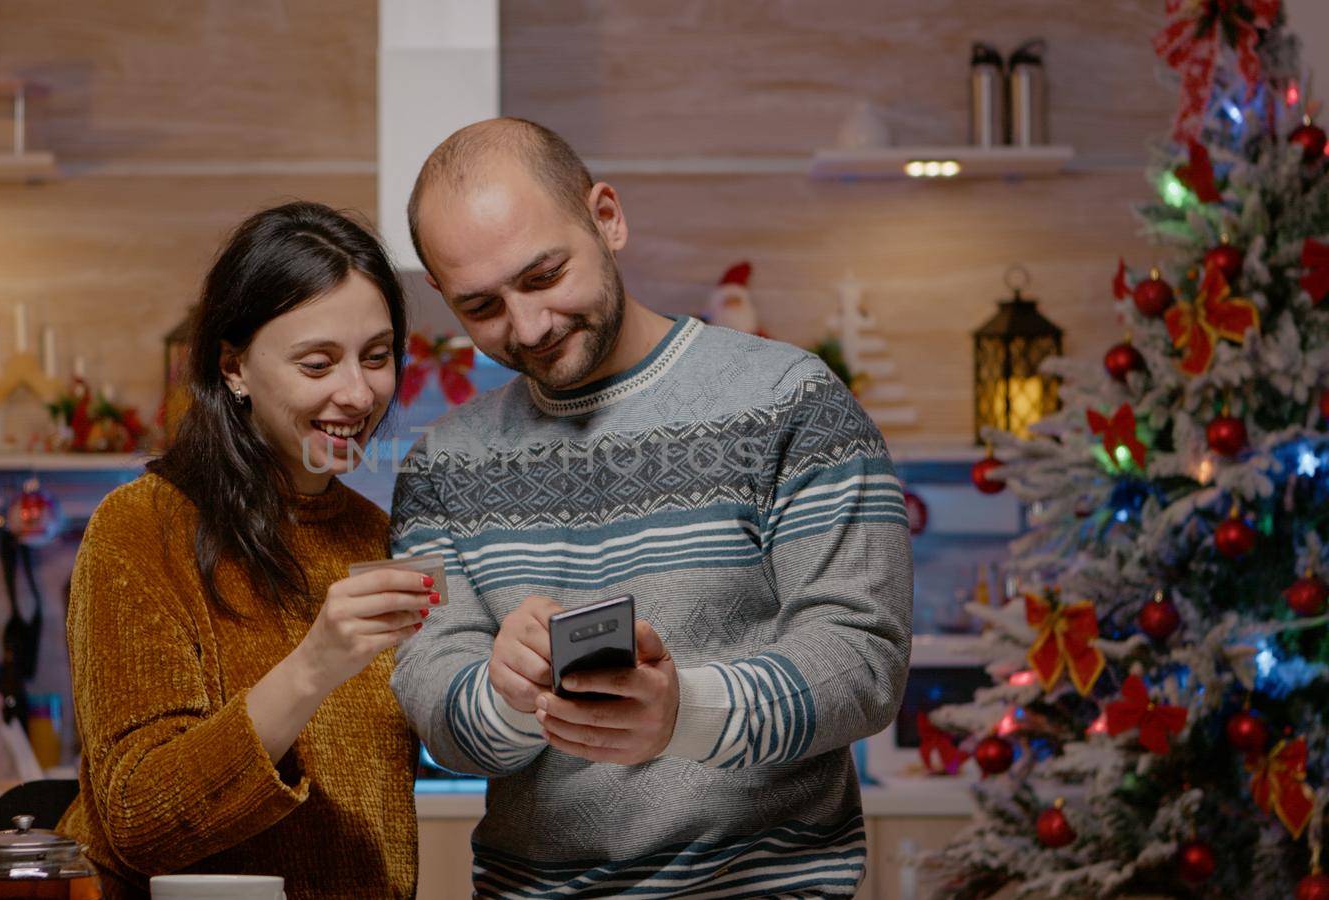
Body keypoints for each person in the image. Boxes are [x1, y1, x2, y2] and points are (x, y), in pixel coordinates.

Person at [388, 119, 913, 898]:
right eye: (482, 306)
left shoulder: (789, 401)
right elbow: (436, 703)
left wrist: (683, 714)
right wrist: (504, 697)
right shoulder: (440, 465)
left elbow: (864, 656)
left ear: (607, 217)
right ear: (441, 296)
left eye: (543, 276)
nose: (528, 327)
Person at [57, 201, 432, 899]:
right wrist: (315, 664)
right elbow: (140, 818)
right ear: (233, 367)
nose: (357, 393)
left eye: (376, 358)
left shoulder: (376, 534)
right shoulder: (140, 528)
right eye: (318, 362)